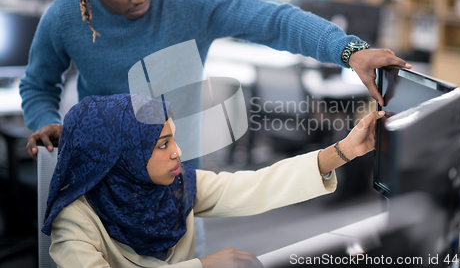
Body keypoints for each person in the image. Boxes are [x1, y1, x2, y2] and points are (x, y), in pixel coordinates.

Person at [21, 0, 410, 160]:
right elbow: (38, 85)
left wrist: (348, 49)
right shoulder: (63, 16)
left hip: (177, 166)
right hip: (101, 162)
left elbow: (275, 21)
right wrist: (43, 121)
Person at [43, 93, 385, 268]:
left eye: (174, 139)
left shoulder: (177, 187)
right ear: (122, 157)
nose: (178, 152)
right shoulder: (75, 220)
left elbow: (254, 186)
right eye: (163, 144)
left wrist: (344, 150)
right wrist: (204, 265)